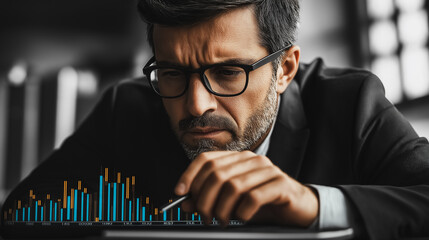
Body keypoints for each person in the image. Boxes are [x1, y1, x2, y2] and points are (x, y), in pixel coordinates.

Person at [2, 0, 429, 239]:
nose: (196, 105)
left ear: (284, 70)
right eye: (172, 72)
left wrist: (314, 204)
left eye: (228, 72)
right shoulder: (128, 108)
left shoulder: (350, 103)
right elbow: (21, 218)